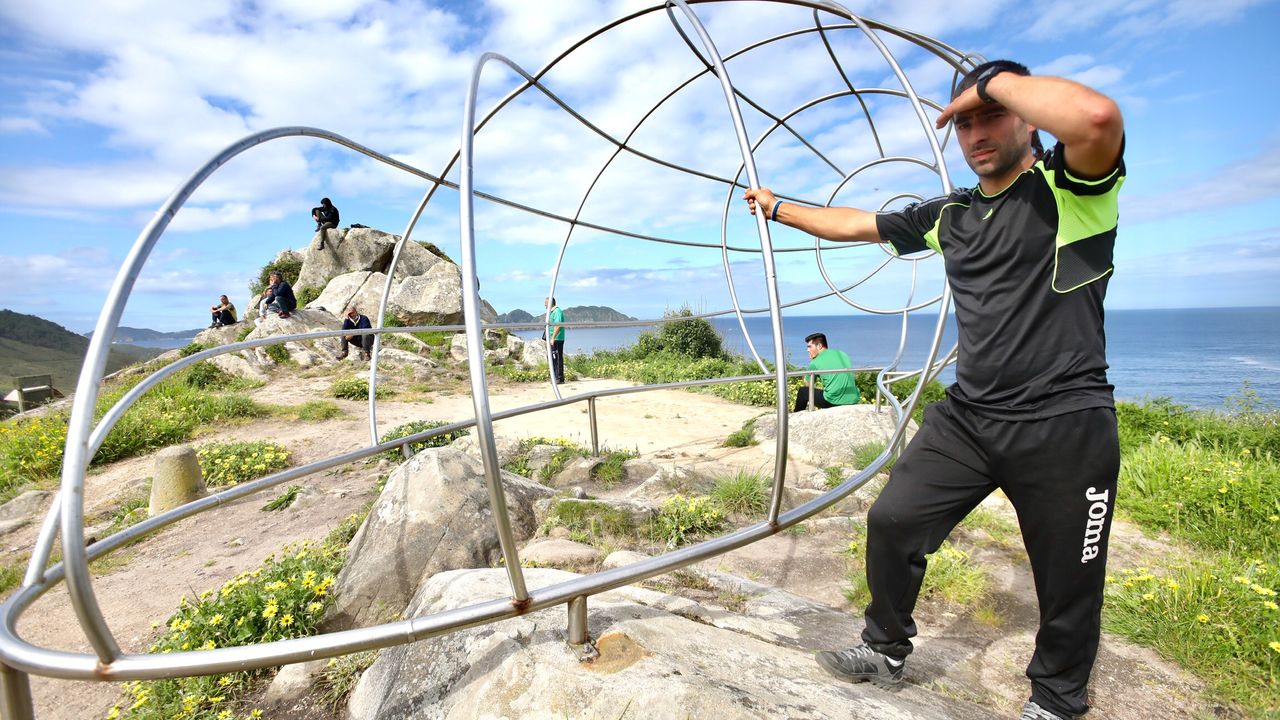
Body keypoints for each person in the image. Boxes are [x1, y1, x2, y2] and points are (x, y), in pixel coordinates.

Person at [744, 59, 1124, 720]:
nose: (975, 132)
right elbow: (858, 223)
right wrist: (778, 208)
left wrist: (991, 85)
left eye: (991, 116)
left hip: (1067, 424)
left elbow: (1096, 119)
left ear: (1026, 116)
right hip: (970, 418)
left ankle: (1059, 700)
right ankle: (885, 646)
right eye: (964, 121)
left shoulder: (1073, 189)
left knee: (1069, 581)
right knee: (892, 521)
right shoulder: (952, 215)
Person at [794, 332, 860, 411]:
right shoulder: (842, 354)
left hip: (833, 401)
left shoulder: (815, 362)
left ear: (819, 346)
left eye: (809, 347)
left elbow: (808, 384)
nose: (807, 350)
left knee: (803, 391)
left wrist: (812, 363)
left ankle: (796, 417)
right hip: (853, 398)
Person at [544, 296, 565, 384]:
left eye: (545, 303)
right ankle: (554, 376)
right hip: (552, 338)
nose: (544, 305)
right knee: (552, 358)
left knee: (557, 358)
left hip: (557, 339)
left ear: (550, 303)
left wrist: (553, 338)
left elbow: (558, 325)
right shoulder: (551, 312)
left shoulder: (557, 311)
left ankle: (559, 378)